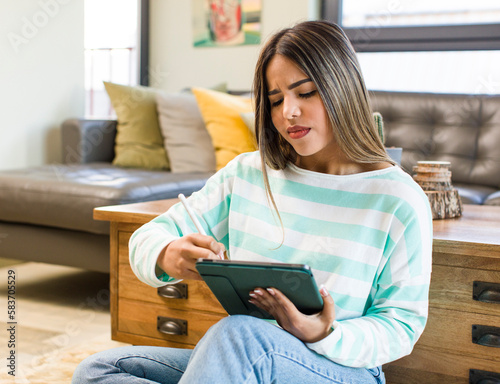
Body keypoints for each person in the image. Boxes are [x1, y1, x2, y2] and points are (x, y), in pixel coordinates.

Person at [72, 20, 432, 384]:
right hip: (243, 360)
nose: (288, 112)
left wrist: (323, 333)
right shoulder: (246, 174)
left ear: (344, 89)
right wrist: (167, 252)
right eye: (275, 100)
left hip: (340, 370)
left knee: (238, 334)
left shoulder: (397, 198)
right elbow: (148, 236)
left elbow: (401, 324)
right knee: (100, 371)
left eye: (305, 93)